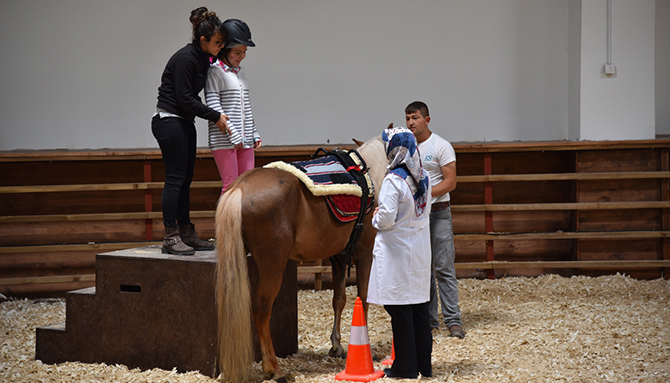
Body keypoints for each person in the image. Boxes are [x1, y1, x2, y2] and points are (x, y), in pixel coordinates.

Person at [152, 7, 231, 255]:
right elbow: (185, 98)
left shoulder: (204, 57)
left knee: (185, 181)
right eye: (218, 43)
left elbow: (223, 64)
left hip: (184, 122)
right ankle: (170, 237)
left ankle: (186, 232)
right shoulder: (186, 58)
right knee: (175, 180)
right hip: (169, 121)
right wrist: (215, 115)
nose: (221, 47)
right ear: (203, 40)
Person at [367, 126, 433, 379]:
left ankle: (405, 368)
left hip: (396, 252)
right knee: (418, 309)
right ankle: (422, 366)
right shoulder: (423, 176)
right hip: (417, 250)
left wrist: (375, 218)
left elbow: (385, 219)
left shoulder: (394, 179)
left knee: (399, 310)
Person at [405, 101, 465, 338]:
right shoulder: (406, 149)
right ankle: (429, 322)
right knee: (423, 270)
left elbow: (451, 182)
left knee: (444, 268)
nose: (411, 122)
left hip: (438, 212)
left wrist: (424, 193)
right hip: (415, 216)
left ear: (427, 120)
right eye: (408, 118)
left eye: (415, 118)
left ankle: (453, 321)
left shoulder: (441, 146)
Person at [205, 19, 261, 194]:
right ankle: (226, 222)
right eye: (237, 52)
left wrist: (253, 132)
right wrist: (234, 135)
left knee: (248, 186)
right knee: (231, 187)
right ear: (225, 49)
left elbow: (246, 107)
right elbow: (214, 106)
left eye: (244, 52)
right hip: (224, 141)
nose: (241, 56)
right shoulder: (215, 71)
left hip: (244, 140)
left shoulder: (241, 73)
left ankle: (243, 222)